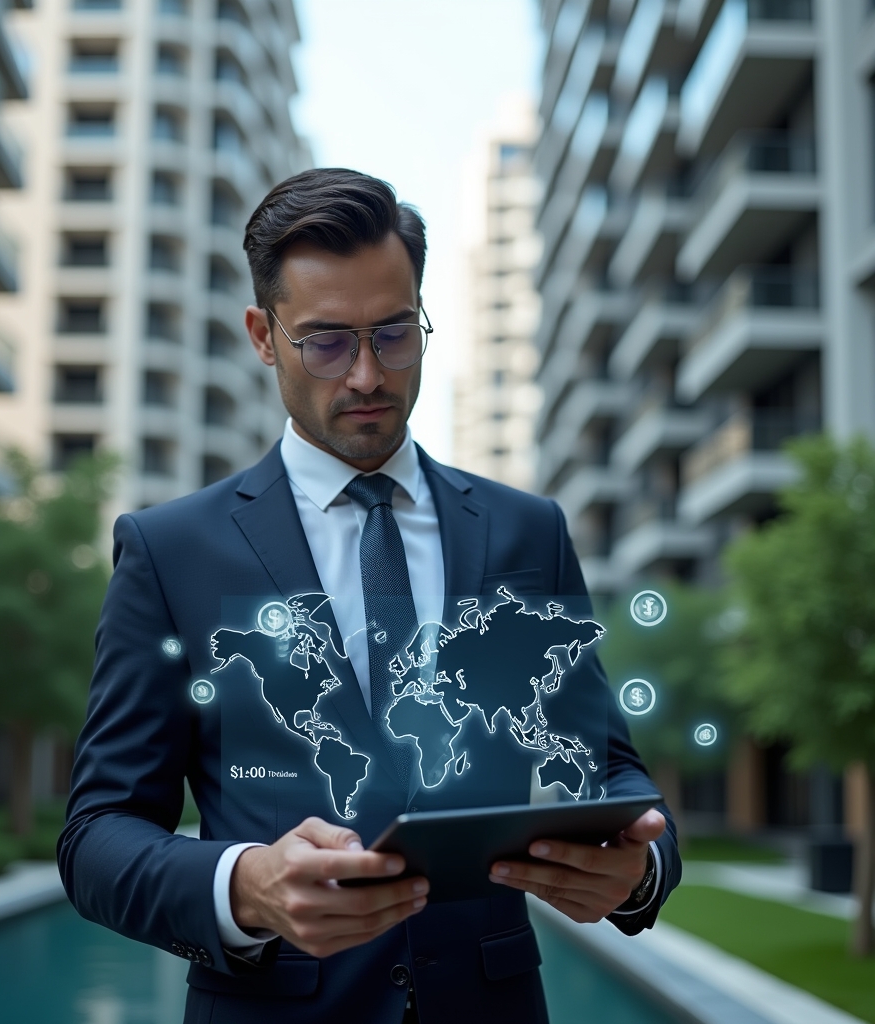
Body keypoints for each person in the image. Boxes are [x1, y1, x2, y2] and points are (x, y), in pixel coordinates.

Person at [58, 168, 681, 1024]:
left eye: (393, 333)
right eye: (325, 342)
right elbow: (97, 834)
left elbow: (608, 766)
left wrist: (639, 870)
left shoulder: (528, 531)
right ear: (262, 336)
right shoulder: (170, 552)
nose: (364, 376)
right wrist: (243, 885)